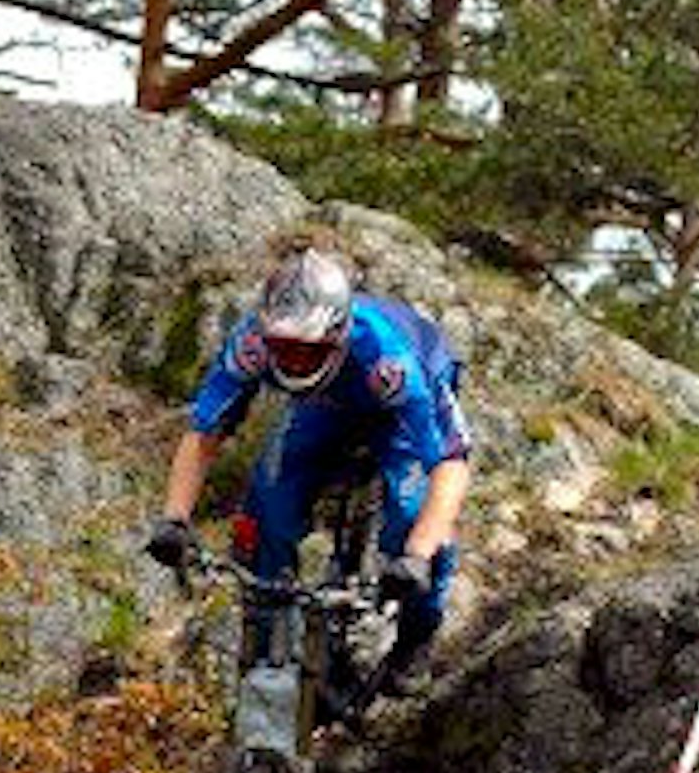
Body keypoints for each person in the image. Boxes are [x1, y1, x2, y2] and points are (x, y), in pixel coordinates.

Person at [145, 244, 471, 682]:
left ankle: (417, 632)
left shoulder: (388, 359)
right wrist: (175, 519)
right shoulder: (252, 342)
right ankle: (267, 643)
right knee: (269, 505)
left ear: (337, 335)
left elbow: (450, 465)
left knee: (412, 517)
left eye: (307, 351)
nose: (294, 360)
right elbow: (204, 433)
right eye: (285, 349)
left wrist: (416, 556)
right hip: (323, 403)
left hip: (393, 412)